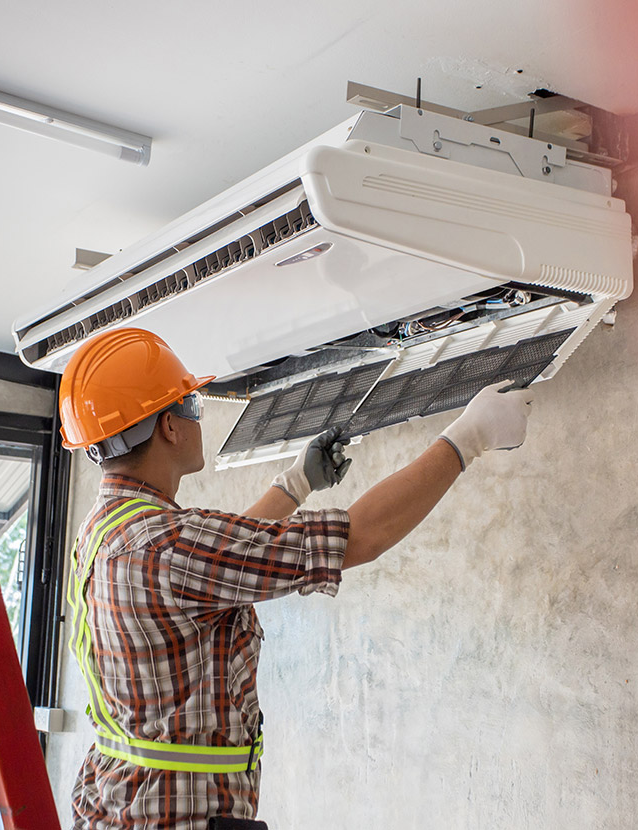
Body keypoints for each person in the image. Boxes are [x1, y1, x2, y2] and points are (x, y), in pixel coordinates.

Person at [59, 327, 533, 830]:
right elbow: (360, 537)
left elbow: (216, 569)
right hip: (174, 816)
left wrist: (296, 482)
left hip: (119, 804)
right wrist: (468, 439)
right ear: (169, 429)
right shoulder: (166, 543)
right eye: (190, 404)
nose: (198, 414)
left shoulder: (106, 532)